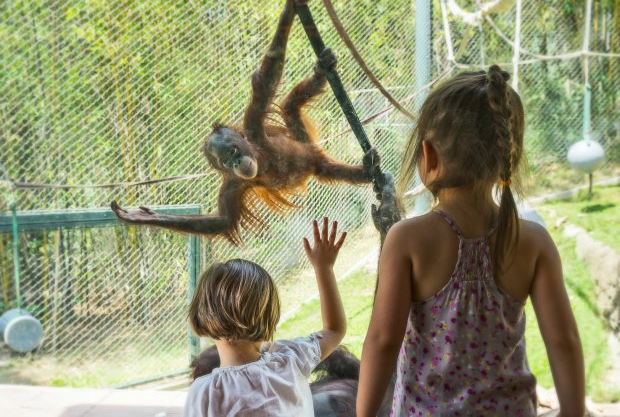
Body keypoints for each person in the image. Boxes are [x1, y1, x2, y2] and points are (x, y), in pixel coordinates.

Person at [357, 65, 586, 417]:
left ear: (428, 156)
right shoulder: (533, 241)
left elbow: (383, 340)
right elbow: (564, 342)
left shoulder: (408, 239)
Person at [183, 217, 347, 417]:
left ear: (201, 314)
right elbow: (334, 330)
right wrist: (324, 268)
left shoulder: (205, 393)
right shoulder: (291, 360)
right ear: (269, 314)